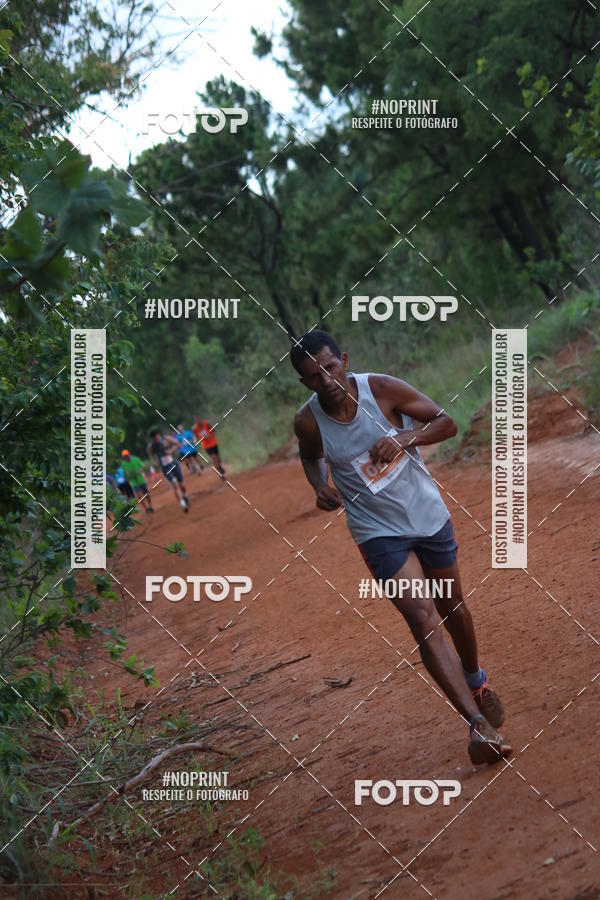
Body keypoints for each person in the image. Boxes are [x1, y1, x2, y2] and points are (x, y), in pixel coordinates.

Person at [291, 330, 511, 766]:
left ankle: (476, 679)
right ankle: (476, 725)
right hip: (376, 532)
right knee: (421, 617)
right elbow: (309, 456)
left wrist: (404, 439)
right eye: (314, 377)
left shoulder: (382, 390)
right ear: (305, 384)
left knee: (453, 609)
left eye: (330, 367)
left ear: (344, 360)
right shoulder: (308, 421)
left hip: (426, 516)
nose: (326, 380)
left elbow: (446, 422)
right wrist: (320, 486)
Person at [147, 428, 190, 512]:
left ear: (159, 435)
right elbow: (152, 455)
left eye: (157, 436)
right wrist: (156, 462)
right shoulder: (152, 446)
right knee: (174, 483)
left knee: (181, 483)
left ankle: (185, 495)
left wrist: (172, 450)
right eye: (154, 438)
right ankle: (182, 504)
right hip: (165, 467)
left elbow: (178, 444)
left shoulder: (167, 439)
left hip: (174, 463)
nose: (156, 439)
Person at [121, 449, 154, 514]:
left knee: (146, 494)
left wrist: (140, 470)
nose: (126, 457)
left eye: (126, 455)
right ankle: (146, 508)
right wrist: (127, 478)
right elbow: (125, 474)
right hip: (133, 481)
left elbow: (142, 466)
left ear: (129, 454)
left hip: (140, 479)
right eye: (124, 456)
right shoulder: (124, 464)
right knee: (139, 495)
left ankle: (150, 506)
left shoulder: (136, 459)